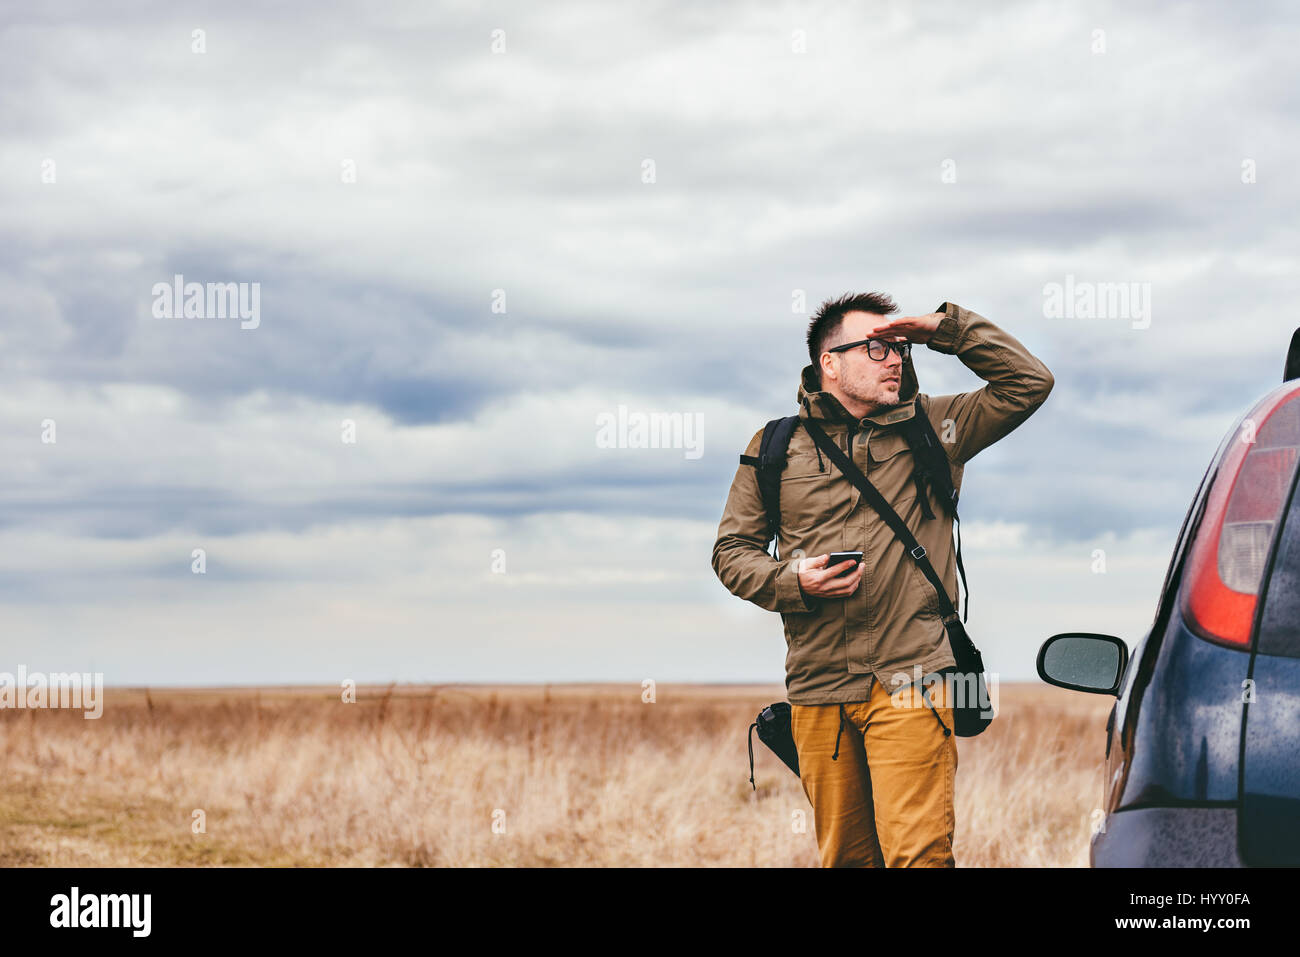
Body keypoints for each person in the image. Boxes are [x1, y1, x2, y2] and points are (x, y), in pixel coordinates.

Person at [711, 292, 1053, 867]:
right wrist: (793, 581)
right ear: (831, 363)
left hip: (914, 680)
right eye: (875, 347)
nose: (893, 358)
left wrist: (944, 329)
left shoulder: (939, 429)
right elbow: (732, 551)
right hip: (819, 688)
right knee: (846, 861)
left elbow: (1027, 383)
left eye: (898, 347)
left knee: (919, 858)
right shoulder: (775, 447)